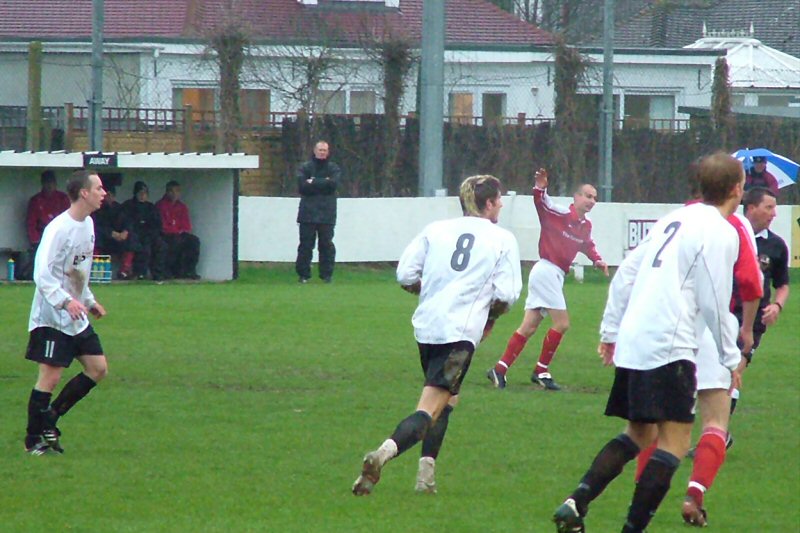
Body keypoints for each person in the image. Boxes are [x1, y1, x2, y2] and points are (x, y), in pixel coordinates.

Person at [552, 152, 744, 533]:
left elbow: (625, 274)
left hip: (636, 339)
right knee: (673, 442)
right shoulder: (721, 231)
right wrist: (730, 358)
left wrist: (610, 332)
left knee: (637, 434)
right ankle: (632, 529)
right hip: (669, 345)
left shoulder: (672, 220)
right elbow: (715, 301)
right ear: (737, 189)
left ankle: (578, 500)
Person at [352, 175, 522, 496]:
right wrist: (490, 319)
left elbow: (404, 274)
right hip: (459, 334)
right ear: (487, 204)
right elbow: (508, 293)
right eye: (498, 199)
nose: (501, 204)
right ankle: (382, 454)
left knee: (447, 400)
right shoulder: (502, 238)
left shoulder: (436, 229)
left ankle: (425, 478)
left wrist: (428, 291)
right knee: (429, 408)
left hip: (427, 328)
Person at [487, 169, 607, 391]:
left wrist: (597, 260)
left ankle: (500, 369)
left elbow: (586, 244)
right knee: (562, 324)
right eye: (588, 196)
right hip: (546, 271)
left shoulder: (585, 225)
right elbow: (541, 202)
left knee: (529, 326)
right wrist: (540, 186)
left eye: (595, 198)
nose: (592, 201)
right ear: (576, 197)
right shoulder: (559, 214)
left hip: (553, 275)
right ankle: (541, 370)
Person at [23, 169, 109, 455]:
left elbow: (78, 271)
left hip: (76, 314)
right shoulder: (57, 229)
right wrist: (64, 301)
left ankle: (50, 418)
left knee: (98, 369)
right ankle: (32, 440)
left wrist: (88, 299)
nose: (103, 193)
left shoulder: (89, 226)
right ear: (83, 193)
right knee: (50, 377)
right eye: (98, 188)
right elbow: (42, 274)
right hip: (51, 315)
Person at [295, 140, 341, 283]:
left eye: (325, 150)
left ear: (328, 152)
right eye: (320, 150)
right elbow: (302, 187)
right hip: (307, 214)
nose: (322, 152)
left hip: (327, 213)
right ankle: (303, 275)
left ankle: (326, 275)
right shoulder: (305, 167)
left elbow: (333, 185)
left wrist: (313, 181)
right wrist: (324, 182)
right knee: (306, 245)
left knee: (326, 245)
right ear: (315, 151)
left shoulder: (334, 168)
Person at [19, 170, 70, 280]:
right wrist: (36, 241)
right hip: (42, 236)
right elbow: (31, 223)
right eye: (47, 183)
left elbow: (69, 220)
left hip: (60, 236)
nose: (49, 186)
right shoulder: (36, 200)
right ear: (42, 184)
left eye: (51, 183)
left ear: (55, 184)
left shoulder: (63, 198)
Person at [122, 180, 168, 281]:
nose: (143, 196)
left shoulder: (151, 207)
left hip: (150, 234)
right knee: (143, 247)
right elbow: (126, 223)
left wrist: (153, 233)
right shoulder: (128, 206)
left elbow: (157, 224)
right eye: (140, 193)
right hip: (134, 235)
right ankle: (139, 273)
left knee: (161, 245)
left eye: (145, 193)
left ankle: (158, 274)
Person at [155, 180, 201, 280]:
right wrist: (175, 231)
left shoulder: (182, 207)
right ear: (167, 192)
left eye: (177, 191)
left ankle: (189, 270)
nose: (174, 194)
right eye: (172, 191)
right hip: (165, 235)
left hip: (179, 234)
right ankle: (169, 271)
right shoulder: (160, 205)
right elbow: (161, 225)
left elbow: (186, 226)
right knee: (171, 242)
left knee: (194, 241)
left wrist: (180, 231)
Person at [92, 184, 136, 279]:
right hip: (105, 240)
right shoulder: (97, 209)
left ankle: (124, 271)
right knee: (96, 237)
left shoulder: (120, 208)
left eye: (111, 195)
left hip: (118, 241)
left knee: (132, 238)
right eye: (107, 195)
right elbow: (97, 226)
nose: (108, 197)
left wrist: (125, 232)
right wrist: (111, 233)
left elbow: (128, 222)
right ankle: (97, 269)